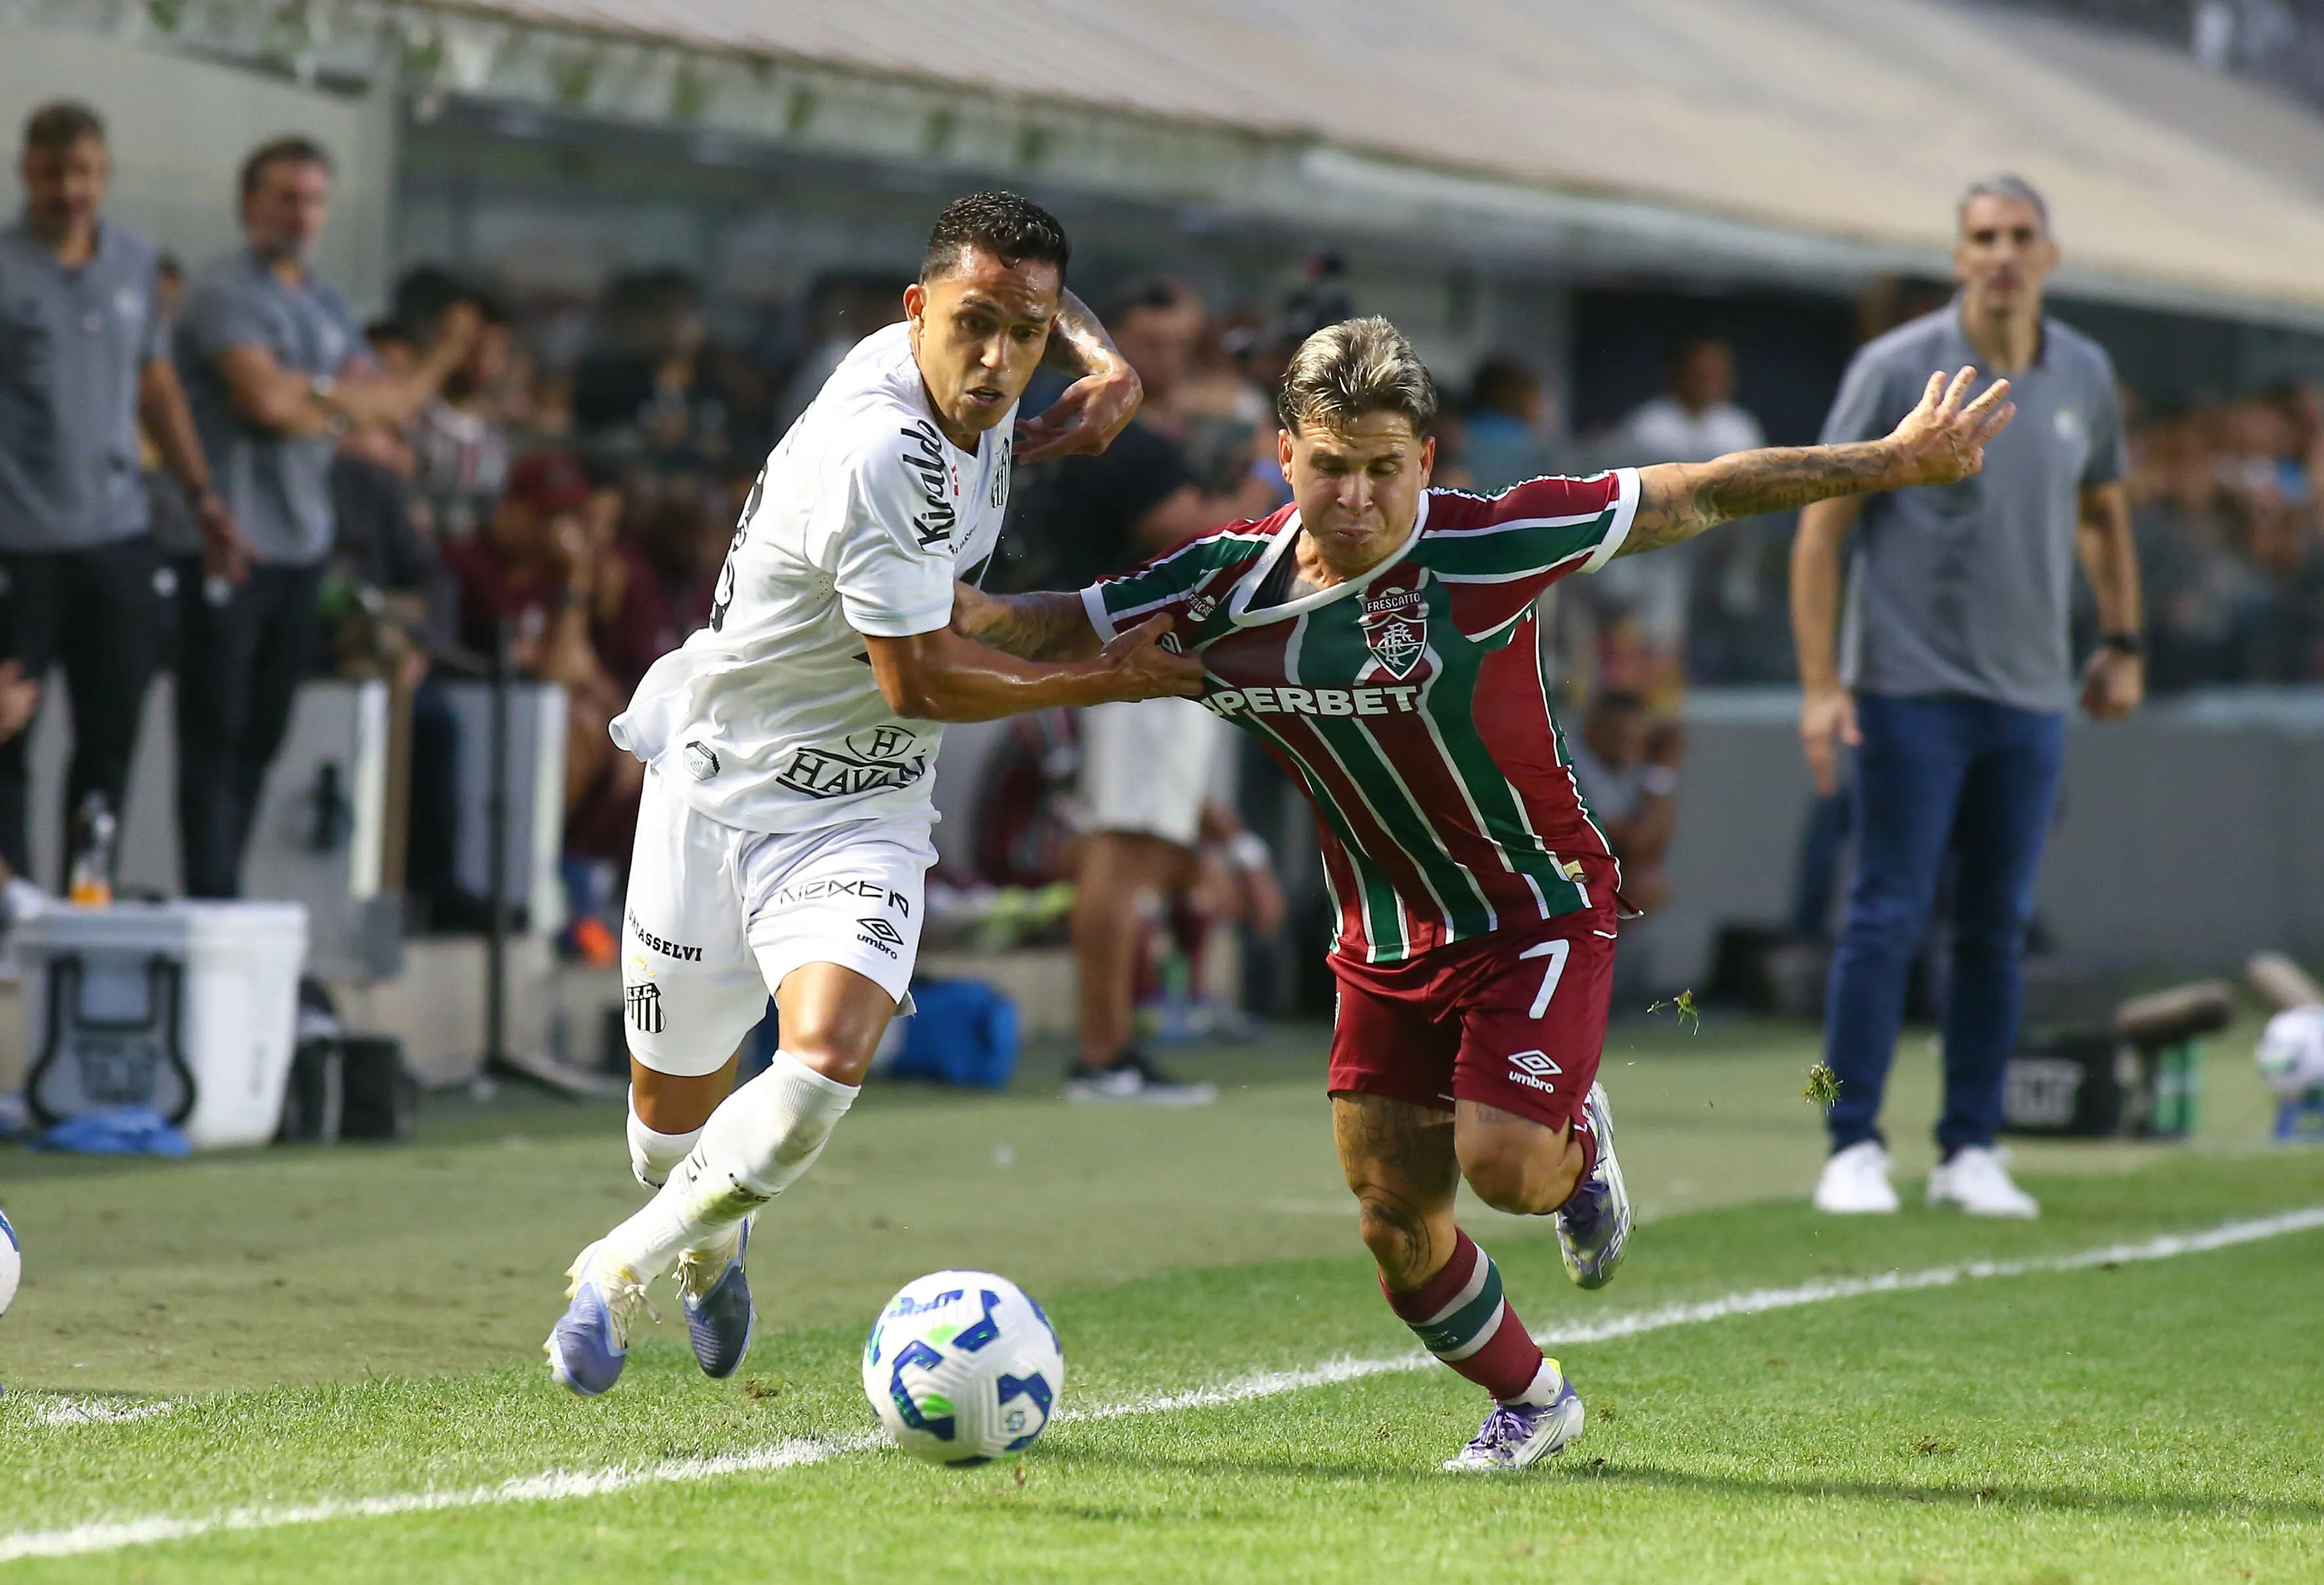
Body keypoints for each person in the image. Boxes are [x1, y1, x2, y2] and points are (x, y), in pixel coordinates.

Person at [953, 315, 2013, 1470]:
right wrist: (911, 600)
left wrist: (1891, 460)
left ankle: (1573, 1138)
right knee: (1395, 1225)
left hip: (1533, 908)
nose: (1355, 496)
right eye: (1330, 466)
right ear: (1283, 453)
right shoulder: (1226, 587)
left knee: (1504, 1164)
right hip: (1383, 941)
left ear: (1425, 455)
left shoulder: (1488, 543)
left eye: (1383, 468)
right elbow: (1060, 620)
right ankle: (1533, 1400)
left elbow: (1701, 492)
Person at [542, 191, 1200, 1395]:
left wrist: (1103, 359)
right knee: (661, 1132)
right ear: (915, 315)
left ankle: (615, 1271)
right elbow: (919, 678)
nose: (999, 360)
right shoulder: (879, 450)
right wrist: (1113, 678)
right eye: (974, 327)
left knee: (816, 1073)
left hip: (862, 807)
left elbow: (1026, 292)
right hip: (719, 784)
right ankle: (709, 1233)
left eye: (1027, 331)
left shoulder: (992, 354)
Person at [1791, 175, 2142, 1220]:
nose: (1999, 253)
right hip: (1907, 689)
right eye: (1980, 237)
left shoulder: (2082, 372)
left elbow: (2102, 513)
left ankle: (1969, 1149)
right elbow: (1821, 522)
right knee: (1880, 916)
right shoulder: (1893, 366)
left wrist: (2119, 642)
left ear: (2049, 252)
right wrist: (1819, 686)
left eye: (2017, 236)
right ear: (1956, 257)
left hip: (2032, 696)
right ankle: (1847, 1143)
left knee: (1996, 925)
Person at [173, 135, 482, 897]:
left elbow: (388, 409)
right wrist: (336, 408)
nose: (301, 213)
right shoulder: (224, 291)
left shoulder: (323, 300)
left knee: (263, 734)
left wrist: (321, 402)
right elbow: (265, 403)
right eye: (285, 196)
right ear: (250, 203)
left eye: (313, 198)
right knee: (214, 732)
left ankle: (232, 893)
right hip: (229, 540)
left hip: (301, 545)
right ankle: (208, 898)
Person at [1014, 277, 1278, 1101]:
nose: (1164, 359)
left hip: (1139, 661)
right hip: (1127, 659)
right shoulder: (1122, 437)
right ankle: (1104, 1054)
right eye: (1148, 342)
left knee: (1140, 856)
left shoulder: (1146, 430)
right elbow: (1203, 540)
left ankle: (1113, 1047)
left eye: (1177, 343)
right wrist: (1270, 479)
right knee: (1120, 859)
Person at [0, 102, 239, 886]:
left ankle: (84, 894)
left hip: (114, 534)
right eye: (55, 173)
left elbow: (156, 383)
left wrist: (201, 495)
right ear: (25, 171)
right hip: (19, 538)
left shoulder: (135, 263)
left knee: (110, 735)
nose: (71, 190)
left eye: (87, 174)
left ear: (105, 177)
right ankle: (12, 906)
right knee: (9, 733)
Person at [1562, 690, 1680, 913]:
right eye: (1621, 737)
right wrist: (1663, 770)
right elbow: (1635, 844)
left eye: (1638, 740)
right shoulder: (1569, 762)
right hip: (1544, 869)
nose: (1630, 750)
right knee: (1630, 887)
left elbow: (1655, 847)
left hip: (1570, 865)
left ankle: (1598, 942)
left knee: (1643, 881)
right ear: (1595, 728)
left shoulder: (1615, 763)